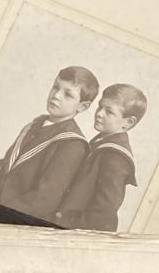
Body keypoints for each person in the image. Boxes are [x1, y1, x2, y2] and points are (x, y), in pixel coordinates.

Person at [0, 66, 98, 219]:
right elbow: (3, 168)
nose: (56, 96)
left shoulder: (72, 144)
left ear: (83, 106)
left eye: (68, 95)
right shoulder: (35, 125)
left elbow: (44, 200)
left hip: (10, 216)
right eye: (56, 87)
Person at [56, 84, 146, 231]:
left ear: (128, 123)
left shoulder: (116, 158)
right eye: (100, 107)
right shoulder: (100, 141)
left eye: (109, 112)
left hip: (83, 231)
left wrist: (74, 227)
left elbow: (104, 209)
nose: (99, 113)